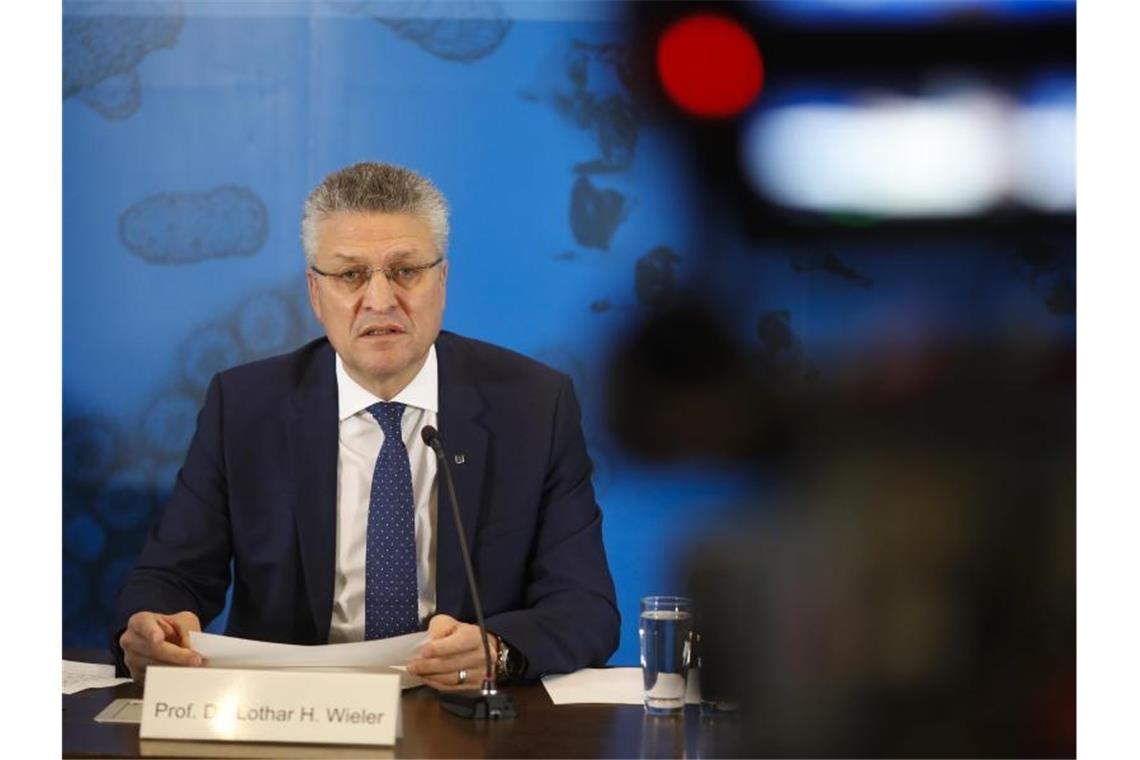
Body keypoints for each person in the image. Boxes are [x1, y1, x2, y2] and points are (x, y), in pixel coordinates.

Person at [114, 162, 620, 690]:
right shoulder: (244, 407)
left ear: (441, 281)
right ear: (315, 292)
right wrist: (154, 628)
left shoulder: (534, 405)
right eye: (351, 274)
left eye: (405, 271)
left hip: (461, 708)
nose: (380, 300)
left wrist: (496, 650)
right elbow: (169, 577)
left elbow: (585, 607)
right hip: (291, 712)